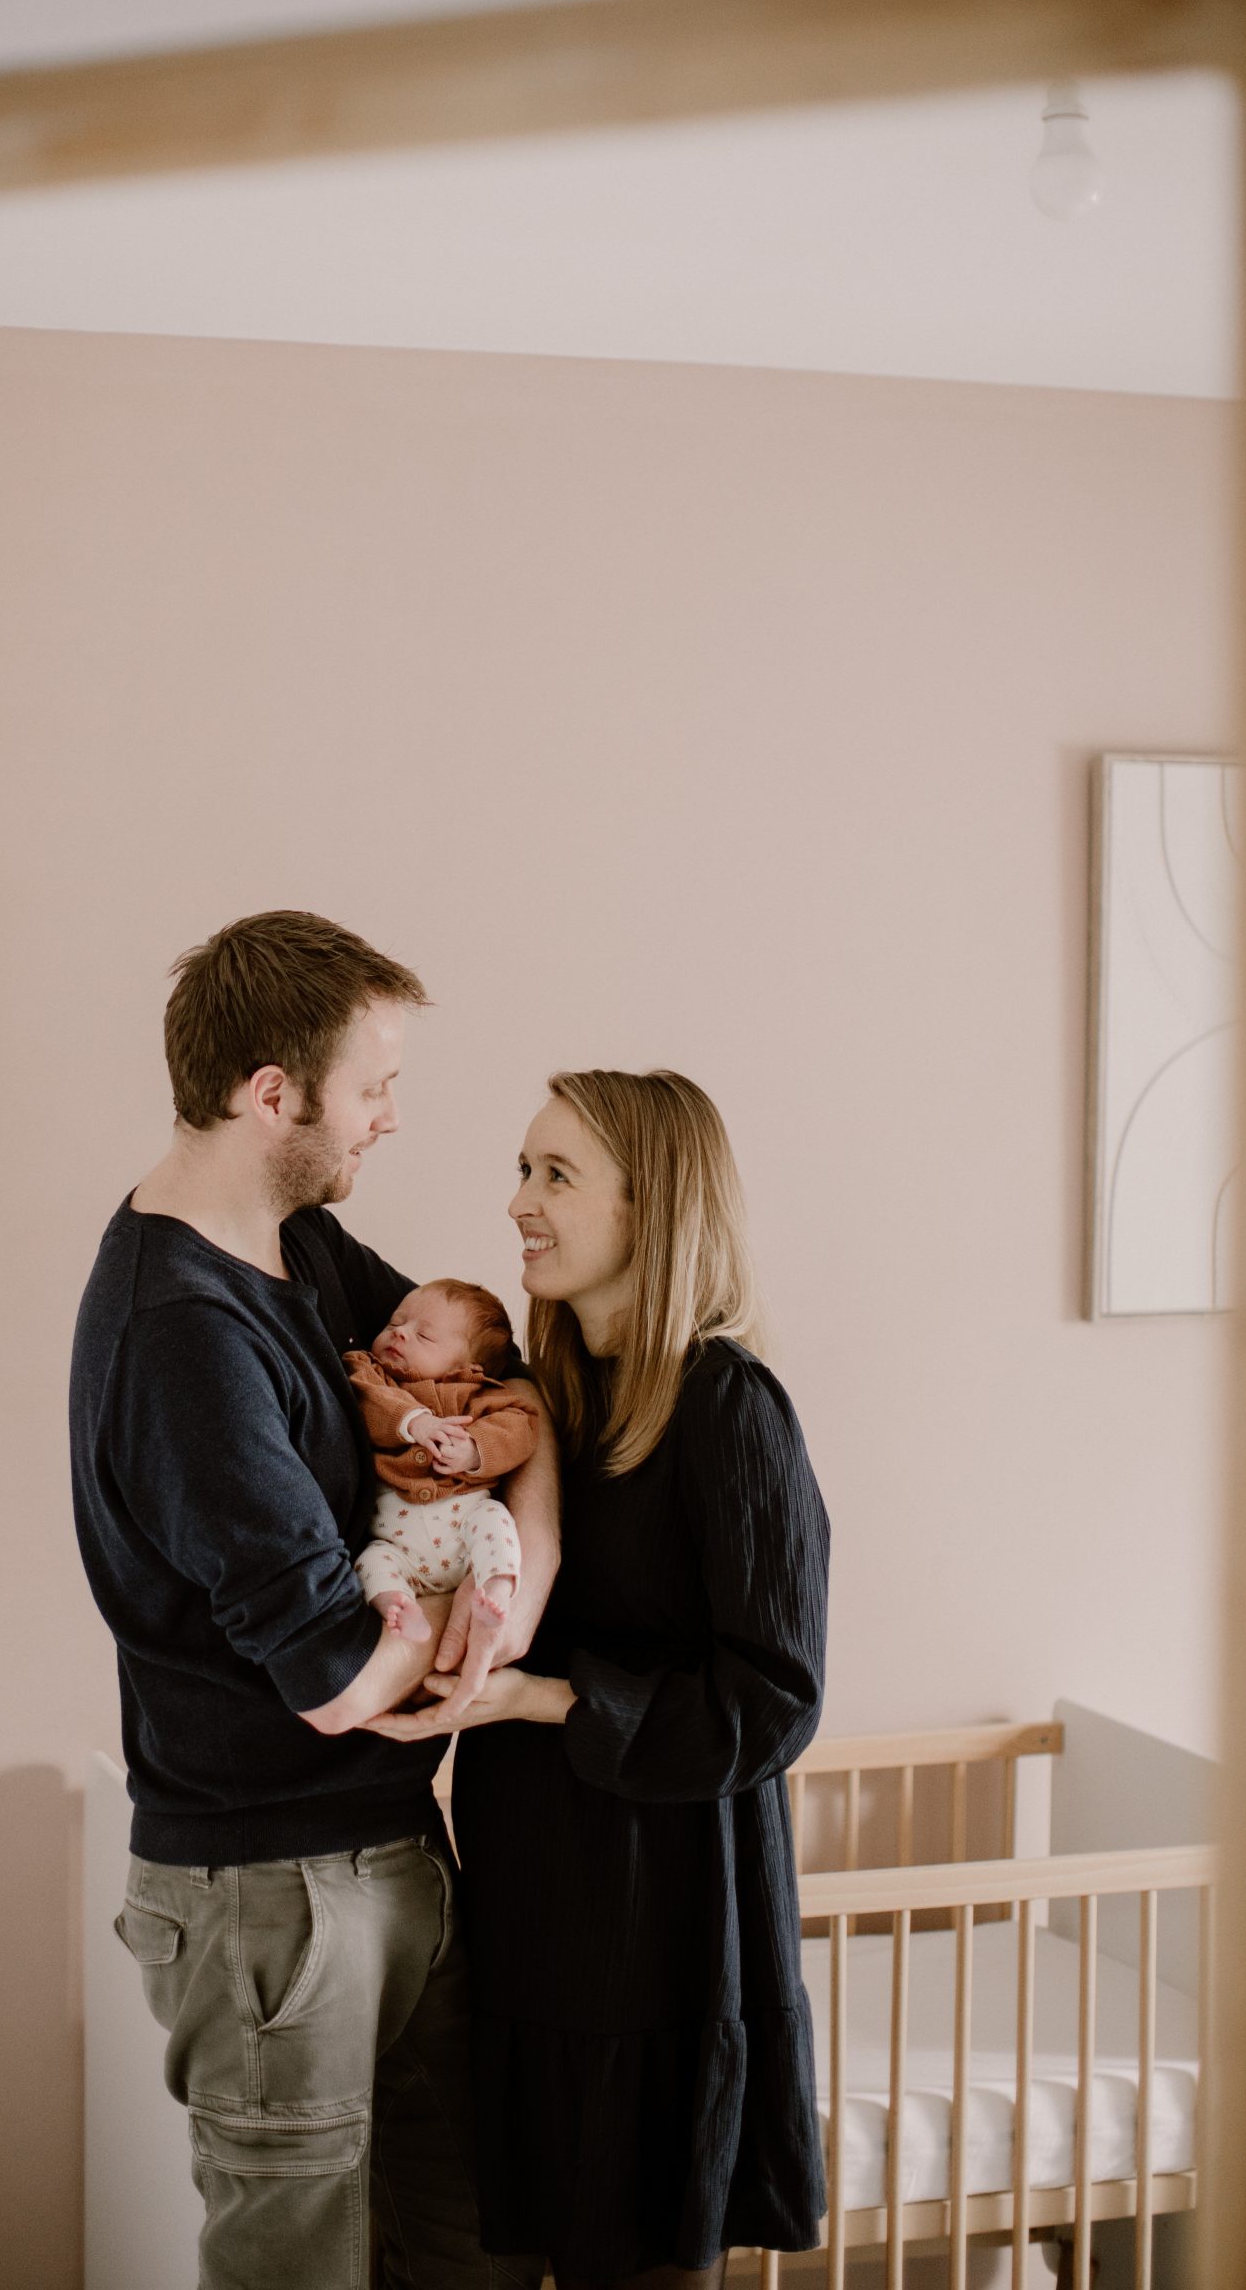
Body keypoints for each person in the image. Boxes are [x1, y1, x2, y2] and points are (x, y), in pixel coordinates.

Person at [69, 910, 555, 2290]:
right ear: (272, 1095)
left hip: (389, 1849)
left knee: (472, 2247)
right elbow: (335, 1676)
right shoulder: (183, 1330)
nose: (391, 1118)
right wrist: (489, 1647)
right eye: (373, 1087)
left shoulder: (304, 1249)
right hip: (269, 1895)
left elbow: (504, 1392)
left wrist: (515, 1585)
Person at [367, 1069, 829, 2290]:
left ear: (650, 1205)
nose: (519, 1200)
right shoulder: (543, 1404)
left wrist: (538, 1698)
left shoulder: (730, 1408)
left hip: (659, 1931)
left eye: (556, 1174)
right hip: (531, 1910)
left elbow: (775, 1699)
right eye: (522, 1169)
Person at [347, 1278, 539, 1643]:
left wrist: (474, 1450)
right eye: (394, 1322)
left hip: (465, 1528)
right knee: (370, 1562)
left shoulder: (478, 1395)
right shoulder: (370, 1374)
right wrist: (415, 1422)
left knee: (495, 1520)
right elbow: (365, 1400)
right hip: (396, 1540)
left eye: (424, 1336)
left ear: (469, 1366)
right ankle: (399, 1606)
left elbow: (521, 1427)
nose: (400, 1333)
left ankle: (496, 1588)